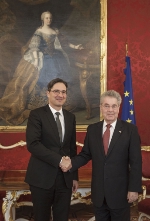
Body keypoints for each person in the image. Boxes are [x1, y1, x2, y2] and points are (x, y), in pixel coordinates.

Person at [60, 90, 142, 221]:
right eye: (106, 105)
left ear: (118, 107)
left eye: (114, 106)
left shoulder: (130, 130)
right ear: (101, 107)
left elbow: (136, 162)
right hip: (99, 194)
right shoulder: (92, 129)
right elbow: (85, 154)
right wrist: (71, 163)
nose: (110, 110)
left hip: (120, 194)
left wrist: (134, 189)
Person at [0, 11, 83, 125]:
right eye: (47, 18)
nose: (49, 20)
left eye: (50, 18)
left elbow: (65, 43)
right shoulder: (39, 32)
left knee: (59, 79)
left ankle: (59, 102)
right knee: (46, 78)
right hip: (44, 58)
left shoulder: (55, 31)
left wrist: (76, 46)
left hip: (57, 58)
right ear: (43, 19)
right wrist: (37, 59)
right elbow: (34, 46)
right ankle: (44, 104)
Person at [25, 78, 78, 221]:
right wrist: (60, 160)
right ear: (48, 93)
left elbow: (72, 148)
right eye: (56, 91)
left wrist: (74, 176)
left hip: (65, 179)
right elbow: (33, 144)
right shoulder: (36, 114)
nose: (60, 95)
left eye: (63, 92)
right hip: (41, 177)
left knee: (62, 217)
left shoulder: (70, 117)